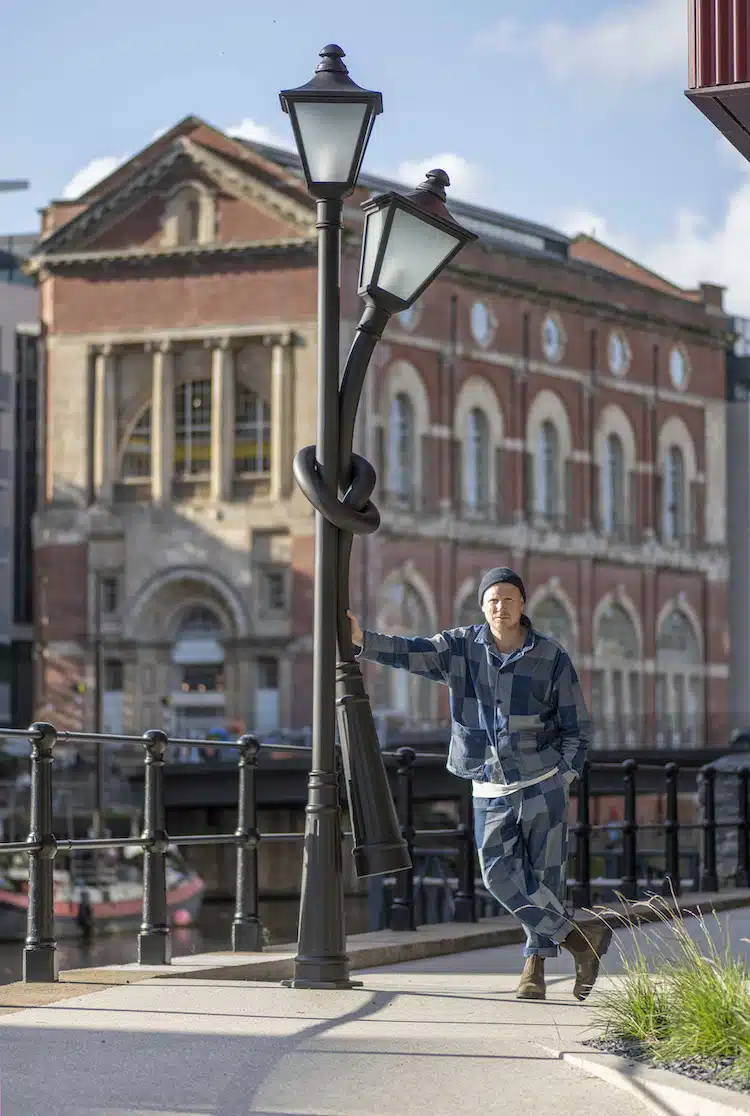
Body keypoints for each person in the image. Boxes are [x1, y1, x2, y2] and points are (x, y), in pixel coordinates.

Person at [347, 566, 612, 1002]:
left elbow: (576, 726)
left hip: (542, 781)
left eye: (508, 599)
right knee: (499, 875)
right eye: (493, 599)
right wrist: (362, 641)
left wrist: (566, 774)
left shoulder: (551, 656)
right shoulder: (460, 648)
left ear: (523, 605)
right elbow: (409, 652)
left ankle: (535, 969)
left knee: (545, 877)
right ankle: (581, 941)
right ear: (482, 605)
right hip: (488, 782)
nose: (500, 607)